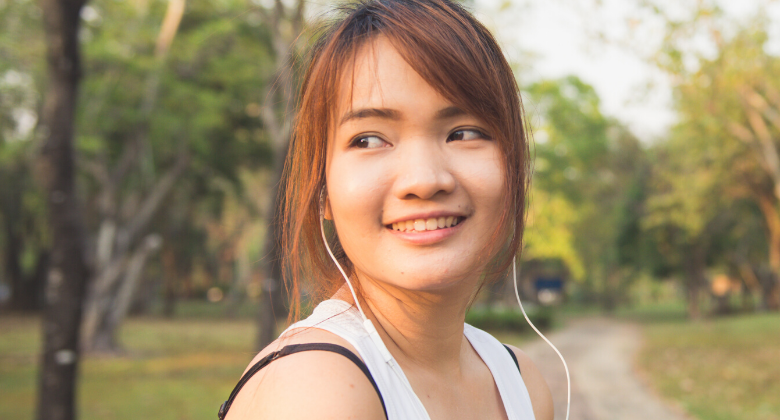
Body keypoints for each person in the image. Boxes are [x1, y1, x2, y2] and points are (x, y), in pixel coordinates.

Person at [218, 1, 554, 418]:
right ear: (321, 188)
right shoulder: (316, 393)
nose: (425, 179)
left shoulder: (521, 382)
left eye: (463, 132)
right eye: (369, 139)